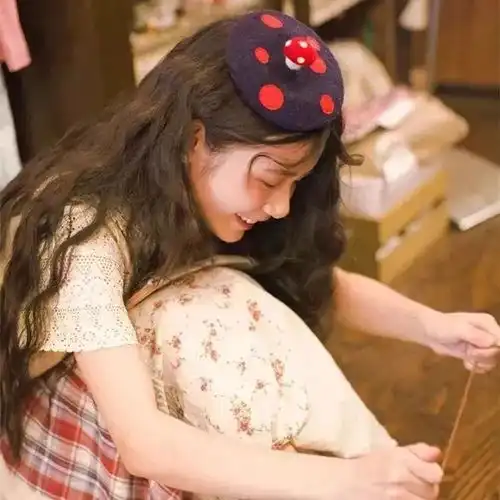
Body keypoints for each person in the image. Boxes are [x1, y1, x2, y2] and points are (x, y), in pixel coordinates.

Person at [0, 10, 499, 500]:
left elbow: (316, 280)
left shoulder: (207, 197)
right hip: (88, 436)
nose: (281, 206)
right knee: (204, 311)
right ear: (194, 140)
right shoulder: (84, 235)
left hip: (161, 420)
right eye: (269, 179)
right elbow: (144, 443)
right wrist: (349, 480)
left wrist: (433, 328)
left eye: (295, 184)